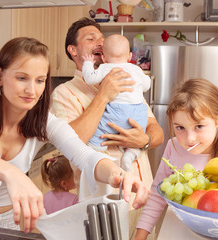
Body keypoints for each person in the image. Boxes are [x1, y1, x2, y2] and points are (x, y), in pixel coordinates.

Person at [0, 37, 150, 234]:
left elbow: (84, 155)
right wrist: (12, 173)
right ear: (0, 76)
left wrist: (118, 174)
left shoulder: (43, 121)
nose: (31, 90)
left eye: (39, 80)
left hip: (13, 220)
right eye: (22, 78)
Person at [50, 17, 164, 238]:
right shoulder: (64, 93)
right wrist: (103, 95)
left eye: (102, 39)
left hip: (143, 197)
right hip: (102, 205)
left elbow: (156, 130)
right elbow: (73, 142)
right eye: (91, 38)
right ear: (73, 50)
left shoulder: (127, 81)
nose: (100, 43)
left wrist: (144, 141)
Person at [134, 78, 218, 240]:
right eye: (180, 127)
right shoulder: (173, 147)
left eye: (199, 126)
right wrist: (140, 235)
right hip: (177, 232)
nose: (190, 139)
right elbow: (158, 195)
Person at [82, 34, 151, 172]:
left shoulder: (105, 67)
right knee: (138, 135)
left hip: (116, 111)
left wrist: (88, 63)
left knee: (100, 130)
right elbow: (146, 85)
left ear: (103, 58)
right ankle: (130, 154)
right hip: (138, 112)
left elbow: (89, 78)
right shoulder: (136, 69)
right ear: (130, 56)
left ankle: (97, 149)